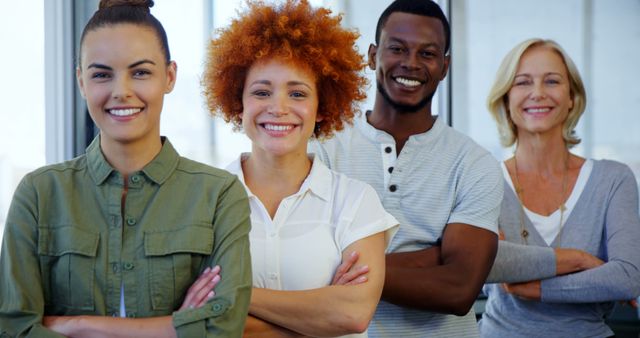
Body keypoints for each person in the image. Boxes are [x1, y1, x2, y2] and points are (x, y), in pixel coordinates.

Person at [0, 1, 252, 337]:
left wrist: (77, 325)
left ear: (170, 76)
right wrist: (176, 328)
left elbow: (222, 326)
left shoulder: (219, 194)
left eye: (141, 72)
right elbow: (14, 327)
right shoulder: (39, 193)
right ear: (80, 81)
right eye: (102, 74)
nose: (121, 92)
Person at [202, 0, 399, 337]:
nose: (278, 108)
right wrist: (317, 315)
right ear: (239, 102)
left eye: (297, 93)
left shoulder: (355, 202)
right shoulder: (203, 200)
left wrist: (234, 295)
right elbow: (197, 322)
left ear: (322, 107)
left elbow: (352, 314)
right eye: (262, 91)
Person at [310, 0, 503, 337]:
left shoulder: (474, 163)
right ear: (372, 56)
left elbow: (459, 289)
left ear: (444, 66)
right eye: (397, 48)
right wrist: (429, 258)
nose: (410, 63)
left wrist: (348, 270)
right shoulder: (322, 150)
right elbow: (307, 267)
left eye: (427, 54)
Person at [478, 38, 640, 338]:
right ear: (505, 100)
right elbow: (490, 263)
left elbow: (627, 277)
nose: (538, 93)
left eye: (552, 81)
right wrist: (579, 260)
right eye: (523, 82)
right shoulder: (482, 178)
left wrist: (534, 287)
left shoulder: (614, 179)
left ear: (571, 98)